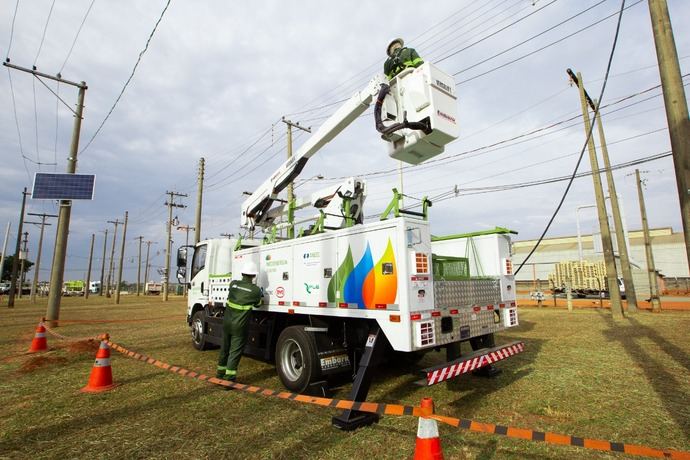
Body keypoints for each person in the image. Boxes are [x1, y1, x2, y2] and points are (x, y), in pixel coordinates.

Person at [216, 261, 263, 383]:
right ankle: (229, 378)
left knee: (225, 348)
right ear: (254, 276)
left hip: (227, 322)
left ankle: (220, 373)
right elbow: (258, 305)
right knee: (235, 351)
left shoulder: (233, 284)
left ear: (242, 273)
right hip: (239, 325)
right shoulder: (255, 290)